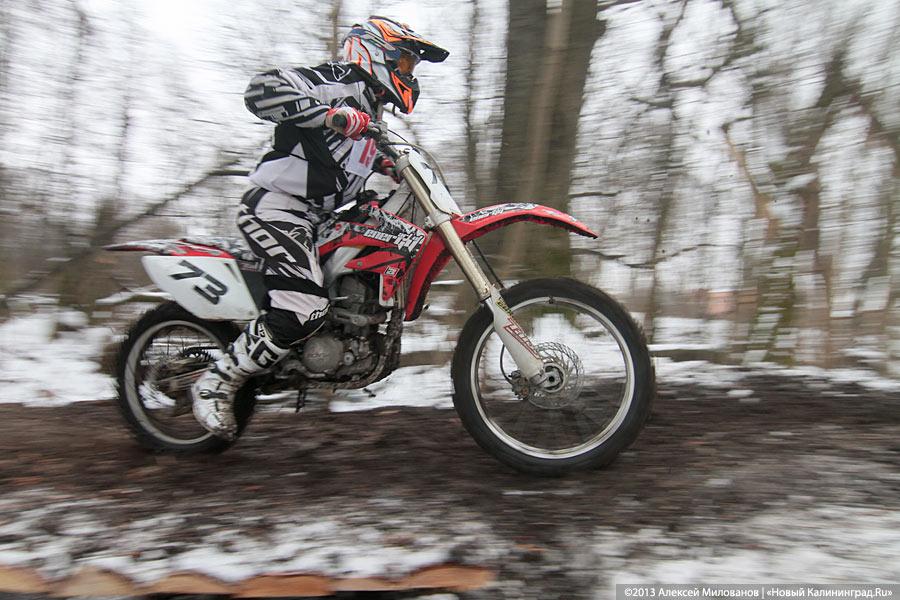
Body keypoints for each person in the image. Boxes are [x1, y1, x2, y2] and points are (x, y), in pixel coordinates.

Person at [191, 17, 448, 439]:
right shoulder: (334, 81)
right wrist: (329, 115)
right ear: (375, 52)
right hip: (278, 206)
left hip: (318, 218)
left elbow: (344, 159)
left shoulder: (370, 115)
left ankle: (332, 348)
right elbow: (261, 90)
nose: (408, 73)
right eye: (404, 62)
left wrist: (387, 165)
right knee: (303, 305)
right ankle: (217, 382)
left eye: (411, 67)